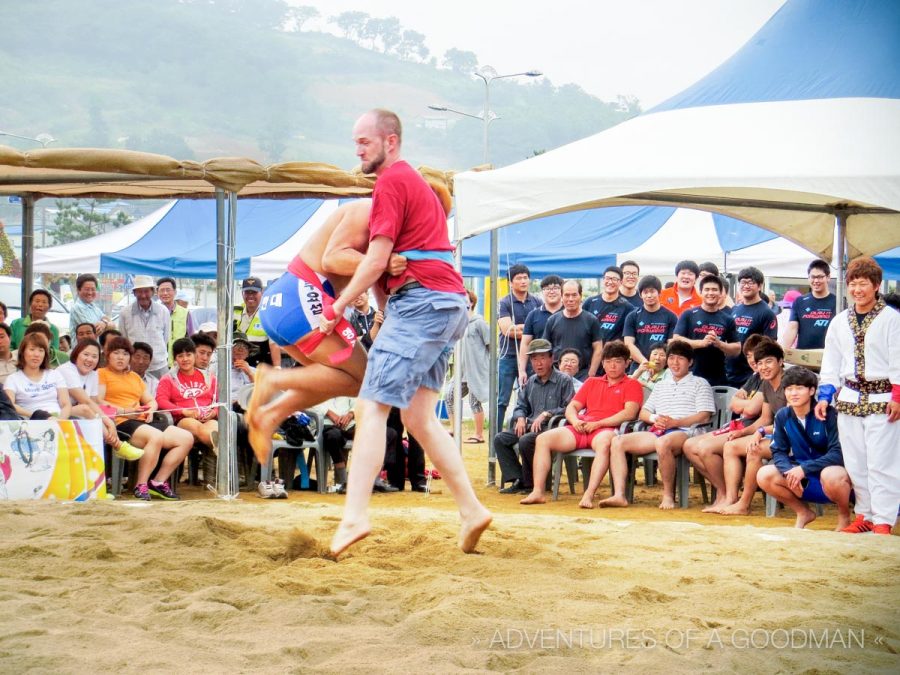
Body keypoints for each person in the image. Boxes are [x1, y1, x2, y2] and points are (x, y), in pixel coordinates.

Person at [320, 108, 492, 556]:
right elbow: (385, 271)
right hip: (444, 304)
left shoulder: (392, 182)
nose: (357, 149)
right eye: (355, 141)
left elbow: (372, 261)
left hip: (423, 304)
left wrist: (337, 306)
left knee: (371, 406)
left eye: (365, 141)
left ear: (390, 141)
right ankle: (472, 510)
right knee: (418, 418)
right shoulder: (412, 186)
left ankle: (355, 516)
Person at [816, 256, 899, 535]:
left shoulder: (892, 319)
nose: (857, 289)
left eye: (863, 284)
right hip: (849, 399)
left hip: (883, 398)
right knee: (855, 462)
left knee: (882, 462)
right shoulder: (840, 321)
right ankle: (865, 514)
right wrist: (825, 395)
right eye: (852, 284)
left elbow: (898, 359)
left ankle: (884, 519)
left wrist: (898, 395)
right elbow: (831, 362)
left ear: (876, 286)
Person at [520, 341, 642, 506]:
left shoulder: (632, 384)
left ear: (627, 363)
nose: (612, 365)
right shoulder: (592, 382)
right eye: (608, 361)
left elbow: (630, 412)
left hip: (607, 429)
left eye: (618, 361)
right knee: (542, 439)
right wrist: (575, 420)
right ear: (603, 363)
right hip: (582, 426)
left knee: (606, 443)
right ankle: (538, 491)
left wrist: (599, 424)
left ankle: (589, 494)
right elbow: (572, 406)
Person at [604, 340, 714, 509]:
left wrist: (675, 422)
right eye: (671, 358)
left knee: (663, 443)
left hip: (687, 431)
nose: (675, 363)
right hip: (659, 430)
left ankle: (668, 495)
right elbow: (643, 413)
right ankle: (619, 494)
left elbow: (704, 416)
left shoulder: (700, 383)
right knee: (618, 441)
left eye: (680, 358)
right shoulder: (661, 385)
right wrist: (656, 418)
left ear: (690, 362)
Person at [98, 336, 193, 501]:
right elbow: (98, 401)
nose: (121, 357)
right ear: (108, 355)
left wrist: (151, 409)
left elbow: (151, 400)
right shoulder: (102, 374)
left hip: (143, 420)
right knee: (155, 436)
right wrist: (124, 410)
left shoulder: (134, 377)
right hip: (120, 421)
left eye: (125, 354)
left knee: (185, 438)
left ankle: (157, 482)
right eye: (116, 353)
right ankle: (140, 485)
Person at [757, 367, 852, 530]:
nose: (793, 393)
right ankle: (803, 512)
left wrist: (804, 468)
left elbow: (838, 454)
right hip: (803, 479)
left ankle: (844, 516)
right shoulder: (783, 415)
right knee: (764, 474)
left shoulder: (829, 414)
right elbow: (778, 451)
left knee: (832, 474)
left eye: (799, 388)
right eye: (789, 389)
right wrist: (788, 471)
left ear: (812, 390)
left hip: (834, 479)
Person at [683, 334, 768, 511]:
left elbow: (752, 410)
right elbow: (733, 404)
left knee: (704, 447)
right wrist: (744, 405)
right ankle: (723, 491)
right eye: (750, 356)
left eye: (757, 357)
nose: (753, 361)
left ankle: (731, 496)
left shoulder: (766, 378)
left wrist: (743, 405)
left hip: (753, 428)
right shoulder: (755, 377)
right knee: (689, 445)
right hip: (741, 424)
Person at [493, 339, 575, 495]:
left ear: (552, 359)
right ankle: (520, 479)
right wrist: (520, 417)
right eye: (534, 359)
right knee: (500, 439)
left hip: (551, 428)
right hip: (530, 425)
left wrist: (547, 414)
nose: (539, 363)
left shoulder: (564, 380)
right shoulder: (531, 381)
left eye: (543, 358)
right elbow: (520, 405)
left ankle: (532, 484)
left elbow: (570, 407)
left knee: (526, 440)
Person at [715, 339, 787, 515]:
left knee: (753, 449)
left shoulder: (790, 382)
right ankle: (732, 498)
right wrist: (743, 432)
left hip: (795, 438)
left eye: (769, 361)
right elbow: (765, 418)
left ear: (780, 361)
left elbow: (791, 423)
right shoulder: (767, 384)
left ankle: (744, 504)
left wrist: (761, 432)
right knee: (730, 445)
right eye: (760, 363)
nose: (763, 367)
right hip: (776, 434)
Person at [57, 338, 140, 460]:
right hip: (56, 410)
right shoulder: (67, 370)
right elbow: (85, 400)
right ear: (76, 354)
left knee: (89, 413)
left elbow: (94, 400)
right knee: (85, 409)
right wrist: (108, 422)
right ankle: (118, 445)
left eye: (94, 356)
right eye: (86, 354)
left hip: (74, 414)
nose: (90, 359)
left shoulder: (93, 374)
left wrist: (109, 419)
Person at [156, 337, 219, 472]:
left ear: (194, 355)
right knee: (201, 430)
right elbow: (161, 401)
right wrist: (183, 411)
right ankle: (224, 455)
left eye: (188, 354)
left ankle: (218, 448)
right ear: (175, 359)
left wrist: (214, 412)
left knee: (215, 429)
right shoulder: (168, 379)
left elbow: (218, 400)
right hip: (184, 420)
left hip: (208, 418)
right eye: (180, 356)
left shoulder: (209, 377)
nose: (185, 359)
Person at [672, 275, 740, 386]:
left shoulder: (727, 319)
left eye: (714, 290)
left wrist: (719, 344)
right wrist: (701, 343)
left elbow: (737, 349)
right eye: (707, 289)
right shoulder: (688, 314)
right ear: (701, 292)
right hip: (690, 375)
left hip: (717, 378)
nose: (710, 293)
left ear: (721, 293)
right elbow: (676, 340)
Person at [496, 264, 541, 431]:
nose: (523, 281)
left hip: (531, 357)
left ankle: (528, 430)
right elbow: (508, 330)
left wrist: (521, 328)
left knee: (531, 396)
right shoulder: (504, 302)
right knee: (502, 399)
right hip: (508, 356)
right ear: (510, 282)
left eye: (525, 277)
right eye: (519, 278)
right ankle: (497, 434)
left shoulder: (537, 301)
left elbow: (540, 328)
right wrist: (529, 330)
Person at [445, 289, 490, 444]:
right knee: (449, 395)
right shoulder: (457, 324)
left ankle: (479, 435)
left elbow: (490, 345)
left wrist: (486, 368)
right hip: (460, 371)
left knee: (474, 401)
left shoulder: (479, 323)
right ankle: (453, 429)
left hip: (476, 371)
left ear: (471, 302)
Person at [725, 267, 778, 387]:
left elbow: (770, 345)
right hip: (730, 371)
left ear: (759, 286)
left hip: (751, 374)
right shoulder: (735, 309)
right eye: (743, 282)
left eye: (751, 282)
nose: (746, 286)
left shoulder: (766, 313)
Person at [542, 280, 602, 381]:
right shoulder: (552, 320)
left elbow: (598, 349)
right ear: (561, 296)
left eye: (574, 295)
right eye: (567, 295)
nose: (570, 299)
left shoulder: (591, 320)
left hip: (583, 375)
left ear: (581, 296)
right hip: (557, 374)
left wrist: (591, 374)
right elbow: (545, 348)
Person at [4, 333, 71, 420]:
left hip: (58, 420)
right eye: (32, 349)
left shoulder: (55, 374)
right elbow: (10, 405)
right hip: (30, 422)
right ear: (22, 352)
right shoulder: (12, 379)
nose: (36, 354)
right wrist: (39, 416)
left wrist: (60, 421)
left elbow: (66, 404)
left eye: (41, 350)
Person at [118, 275, 169, 379]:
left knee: (160, 393)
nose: (143, 295)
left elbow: (166, 337)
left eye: (146, 291)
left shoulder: (163, 311)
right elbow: (124, 340)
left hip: (158, 365)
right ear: (134, 293)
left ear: (153, 292)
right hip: (135, 366)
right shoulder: (125, 313)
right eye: (139, 292)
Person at [517, 274, 564, 386]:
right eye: (547, 288)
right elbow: (525, 343)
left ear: (562, 291)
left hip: (564, 367)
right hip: (539, 369)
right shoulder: (533, 315)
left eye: (555, 288)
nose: (551, 292)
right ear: (542, 292)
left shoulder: (569, 313)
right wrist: (522, 370)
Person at [781, 259, 837, 350]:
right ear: (808, 278)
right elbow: (792, 328)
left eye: (820, 277)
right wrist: (781, 352)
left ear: (828, 277)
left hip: (828, 356)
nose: (816, 280)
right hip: (803, 356)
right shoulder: (799, 301)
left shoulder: (837, 302)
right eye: (812, 277)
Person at [623, 275, 678, 367]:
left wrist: (658, 364)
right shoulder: (632, 316)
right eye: (645, 292)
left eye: (652, 291)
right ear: (640, 295)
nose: (649, 295)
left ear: (659, 293)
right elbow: (628, 344)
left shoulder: (671, 317)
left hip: (663, 368)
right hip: (639, 366)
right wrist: (645, 363)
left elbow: (672, 345)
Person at [582, 265, 635, 350]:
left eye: (614, 279)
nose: (610, 282)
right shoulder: (590, 302)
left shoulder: (627, 307)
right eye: (607, 278)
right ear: (603, 280)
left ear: (621, 282)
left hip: (613, 356)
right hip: (590, 353)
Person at [234, 276, 281, 368]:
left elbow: (274, 345)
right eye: (247, 292)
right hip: (235, 363)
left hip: (259, 365)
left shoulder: (268, 313)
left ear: (262, 292)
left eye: (254, 292)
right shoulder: (234, 311)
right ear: (242, 293)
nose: (250, 295)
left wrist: (277, 368)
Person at [156, 277, 189, 363]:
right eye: (162, 290)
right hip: (158, 362)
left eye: (168, 290)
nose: (165, 293)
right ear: (157, 293)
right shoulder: (153, 313)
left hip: (178, 362)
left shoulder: (185, 313)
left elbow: (191, 339)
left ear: (175, 292)